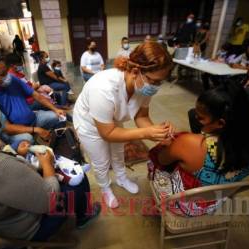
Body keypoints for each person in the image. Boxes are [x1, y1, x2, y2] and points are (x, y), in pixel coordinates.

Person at [0, 82, 100, 242]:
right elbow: (50, 201)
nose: (0, 117)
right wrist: (47, 166)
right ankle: (84, 216)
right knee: (78, 177)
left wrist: (18, 154)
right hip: (22, 230)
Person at [73, 41, 174, 208]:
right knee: (101, 161)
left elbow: (141, 116)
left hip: (113, 119)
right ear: (136, 71)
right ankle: (105, 187)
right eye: (154, 81)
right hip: (89, 125)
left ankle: (121, 178)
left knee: (118, 151)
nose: (155, 87)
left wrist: (158, 131)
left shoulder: (143, 85)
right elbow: (107, 133)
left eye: (160, 82)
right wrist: (147, 133)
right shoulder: (103, 87)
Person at [150, 80, 249, 216]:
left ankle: (158, 206)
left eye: (200, 118)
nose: (195, 118)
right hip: (217, 200)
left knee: (154, 162)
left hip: (187, 206)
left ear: (220, 123)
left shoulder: (191, 143)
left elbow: (162, 160)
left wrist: (168, 145)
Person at [0, 57, 66, 145]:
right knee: (27, 139)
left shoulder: (12, 80)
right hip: (14, 131)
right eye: (3, 74)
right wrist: (35, 130)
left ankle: (57, 143)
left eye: (6, 71)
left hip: (33, 119)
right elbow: (6, 128)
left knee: (58, 116)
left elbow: (35, 95)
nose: (7, 75)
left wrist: (55, 109)